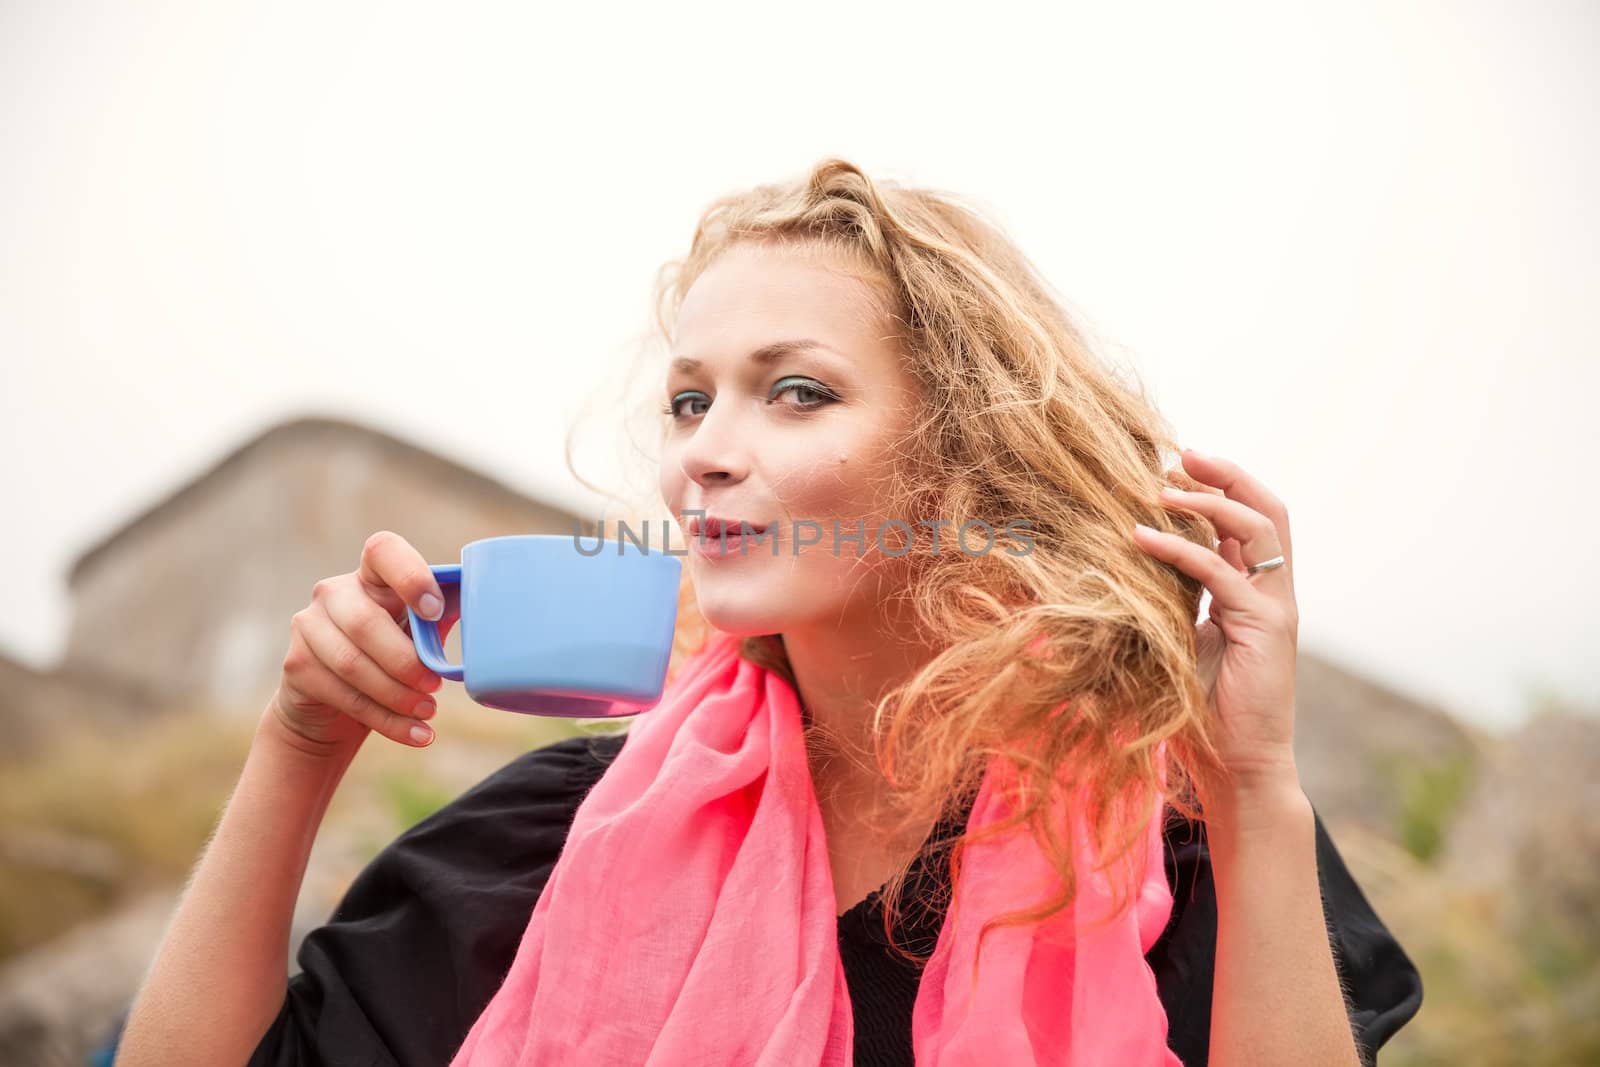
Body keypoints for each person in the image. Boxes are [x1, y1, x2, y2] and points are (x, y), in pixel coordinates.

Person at [112, 158, 1423, 1066]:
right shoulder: (556, 841)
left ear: (957, 455)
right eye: (691, 400)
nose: (703, 453)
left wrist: (1253, 780)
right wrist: (298, 748)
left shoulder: (1178, 843)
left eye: (794, 392)